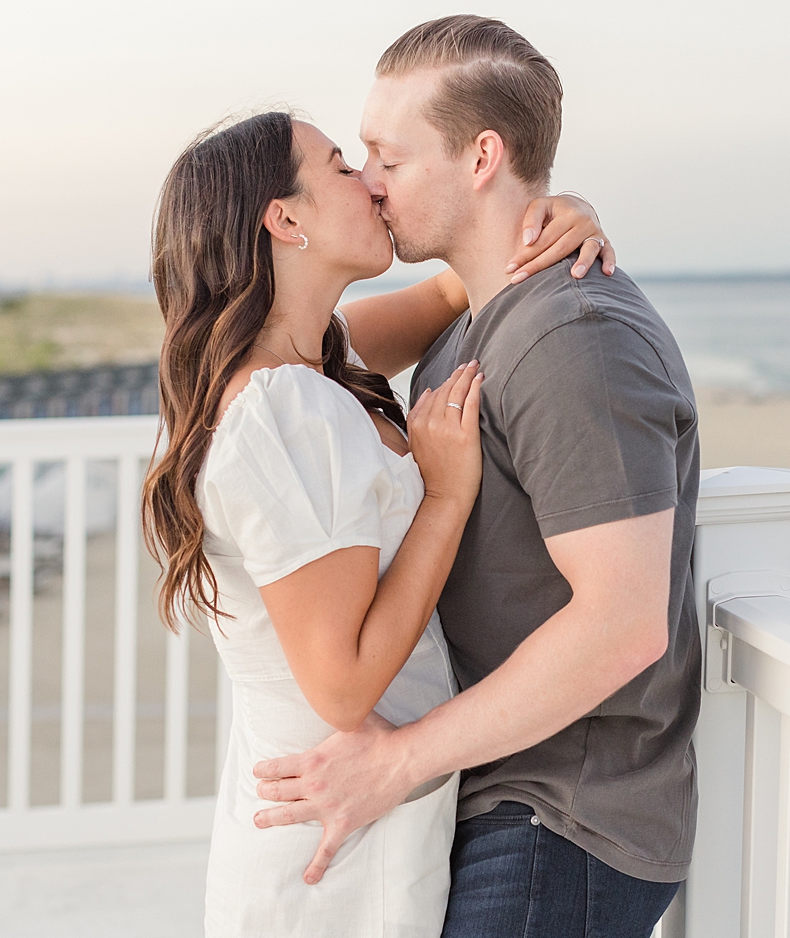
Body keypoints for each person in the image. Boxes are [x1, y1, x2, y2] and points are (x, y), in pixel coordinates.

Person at [252, 16, 703, 938]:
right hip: (490, 789)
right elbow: (284, 357)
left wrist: (396, 762)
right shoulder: (472, 322)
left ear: (482, 156)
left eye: (388, 156)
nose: (370, 182)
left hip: (563, 816)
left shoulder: (577, 337)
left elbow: (622, 625)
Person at [140, 110, 615, 937]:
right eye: (338, 168)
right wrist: (443, 496)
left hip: (355, 810)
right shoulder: (282, 406)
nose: (370, 182)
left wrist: (555, 215)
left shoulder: (309, 361)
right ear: (285, 219)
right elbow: (344, 682)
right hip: (334, 838)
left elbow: (454, 286)